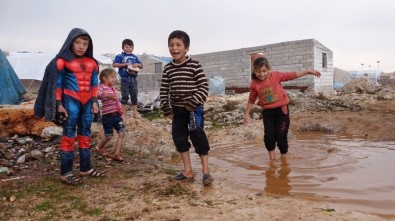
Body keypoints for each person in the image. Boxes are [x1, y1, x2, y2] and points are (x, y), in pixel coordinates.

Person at [34, 28, 105, 186]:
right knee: (68, 136)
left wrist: (95, 101)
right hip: (70, 101)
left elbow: (94, 84)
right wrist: (59, 105)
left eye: (85, 43)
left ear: (89, 45)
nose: (81, 46)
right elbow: (56, 85)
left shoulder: (92, 63)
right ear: (70, 42)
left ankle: (86, 168)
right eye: (77, 42)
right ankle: (65, 173)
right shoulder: (62, 61)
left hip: (87, 102)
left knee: (86, 135)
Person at [160, 30, 213, 186]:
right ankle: (188, 171)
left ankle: (205, 171)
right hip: (177, 111)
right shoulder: (168, 69)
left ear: (186, 48)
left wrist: (192, 103)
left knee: (199, 138)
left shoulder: (194, 65)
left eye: (178, 45)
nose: (174, 48)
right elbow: (164, 90)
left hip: (193, 110)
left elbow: (203, 86)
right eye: (171, 45)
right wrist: (166, 109)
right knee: (180, 139)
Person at [243, 55, 321, 160]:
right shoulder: (254, 84)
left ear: (269, 70)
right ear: (254, 71)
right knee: (269, 137)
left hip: (281, 111)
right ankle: (272, 161)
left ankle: (284, 160)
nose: (261, 74)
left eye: (264, 71)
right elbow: (252, 99)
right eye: (258, 72)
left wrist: (307, 71)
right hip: (268, 113)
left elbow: (292, 75)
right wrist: (247, 113)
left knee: (281, 137)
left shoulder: (276, 75)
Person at [96, 68, 126, 161]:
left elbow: (117, 101)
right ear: (104, 78)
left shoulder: (113, 88)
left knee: (122, 132)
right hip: (107, 116)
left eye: (114, 77)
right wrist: (106, 95)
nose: (114, 79)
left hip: (117, 115)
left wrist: (122, 112)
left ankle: (116, 153)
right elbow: (98, 95)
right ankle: (100, 147)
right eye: (112, 77)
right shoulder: (100, 87)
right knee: (108, 135)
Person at [112, 39, 143, 119]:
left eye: (130, 47)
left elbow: (141, 66)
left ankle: (135, 113)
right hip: (124, 79)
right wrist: (124, 64)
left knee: (134, 96)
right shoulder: (120, 56)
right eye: (126, 46)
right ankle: (124, 114)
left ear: (133, 48)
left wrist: (137, 64)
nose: (128, 48)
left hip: (133, 79)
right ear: (123, 48)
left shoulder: (135, 57)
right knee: (124, 96)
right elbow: (114, 65)